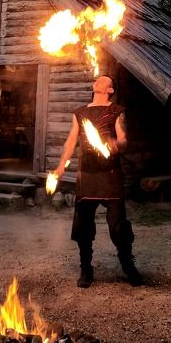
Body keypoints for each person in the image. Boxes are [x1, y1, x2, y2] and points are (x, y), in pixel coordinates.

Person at [52, 75, 144, 288]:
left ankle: (127, 264)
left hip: (110, 175)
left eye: (103, 80)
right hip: (87, 175)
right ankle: (86, 268)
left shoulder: (117, 111)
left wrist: (115, 143)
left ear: (110, 89)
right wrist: (60, 166)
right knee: (83, 225)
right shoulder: (80, 113)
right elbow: (70, 141)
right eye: (97, 79)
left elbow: (123, 138)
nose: (98, 81)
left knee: (118, 226)